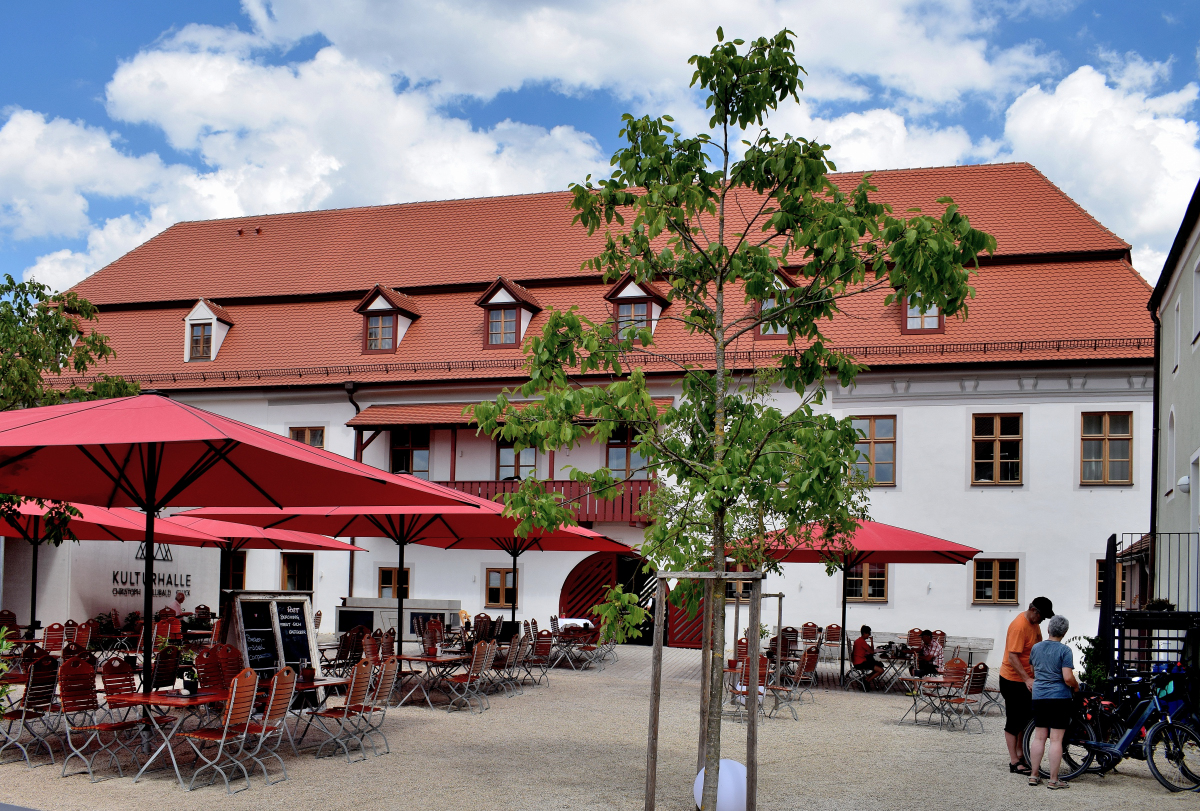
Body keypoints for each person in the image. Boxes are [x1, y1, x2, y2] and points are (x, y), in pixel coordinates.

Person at [1000, 595, 1053, 776]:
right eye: (1042, 616)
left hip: (1027, 679)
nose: (1043, 620)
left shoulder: (1034, 624)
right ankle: (1014, 761)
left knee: (1025, 719)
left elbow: (1037, 649)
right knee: (1014, 720)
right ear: (1033, 610)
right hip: (1012, 680)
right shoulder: (1019, 626)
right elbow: (1012, 657)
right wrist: (1026, 679)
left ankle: (1021, 754)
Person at [1026, 615, 1079, 789]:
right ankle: (1053, 780)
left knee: (1039, 737)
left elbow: (1033, 669)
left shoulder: (1036, 648)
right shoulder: (1065, 650)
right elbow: (1067, 677)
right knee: (1056, 740)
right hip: (1059, 697)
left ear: (1048, 629)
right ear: (1065, 632)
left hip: (1039, 696)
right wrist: (1076, 686)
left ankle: (1034, 775)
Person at [851, 625, 885, 690]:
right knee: (881, 670)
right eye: (868, 633)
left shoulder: (858, 640)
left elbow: (870, 650)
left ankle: (867, 677)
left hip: (858, 661)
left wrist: (871, 641)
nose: (869, 635)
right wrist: (872, 641)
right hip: (860, 663)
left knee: (878, 665)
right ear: (864, 633)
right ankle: (867, 680)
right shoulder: (862, 642)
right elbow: (872, 652)